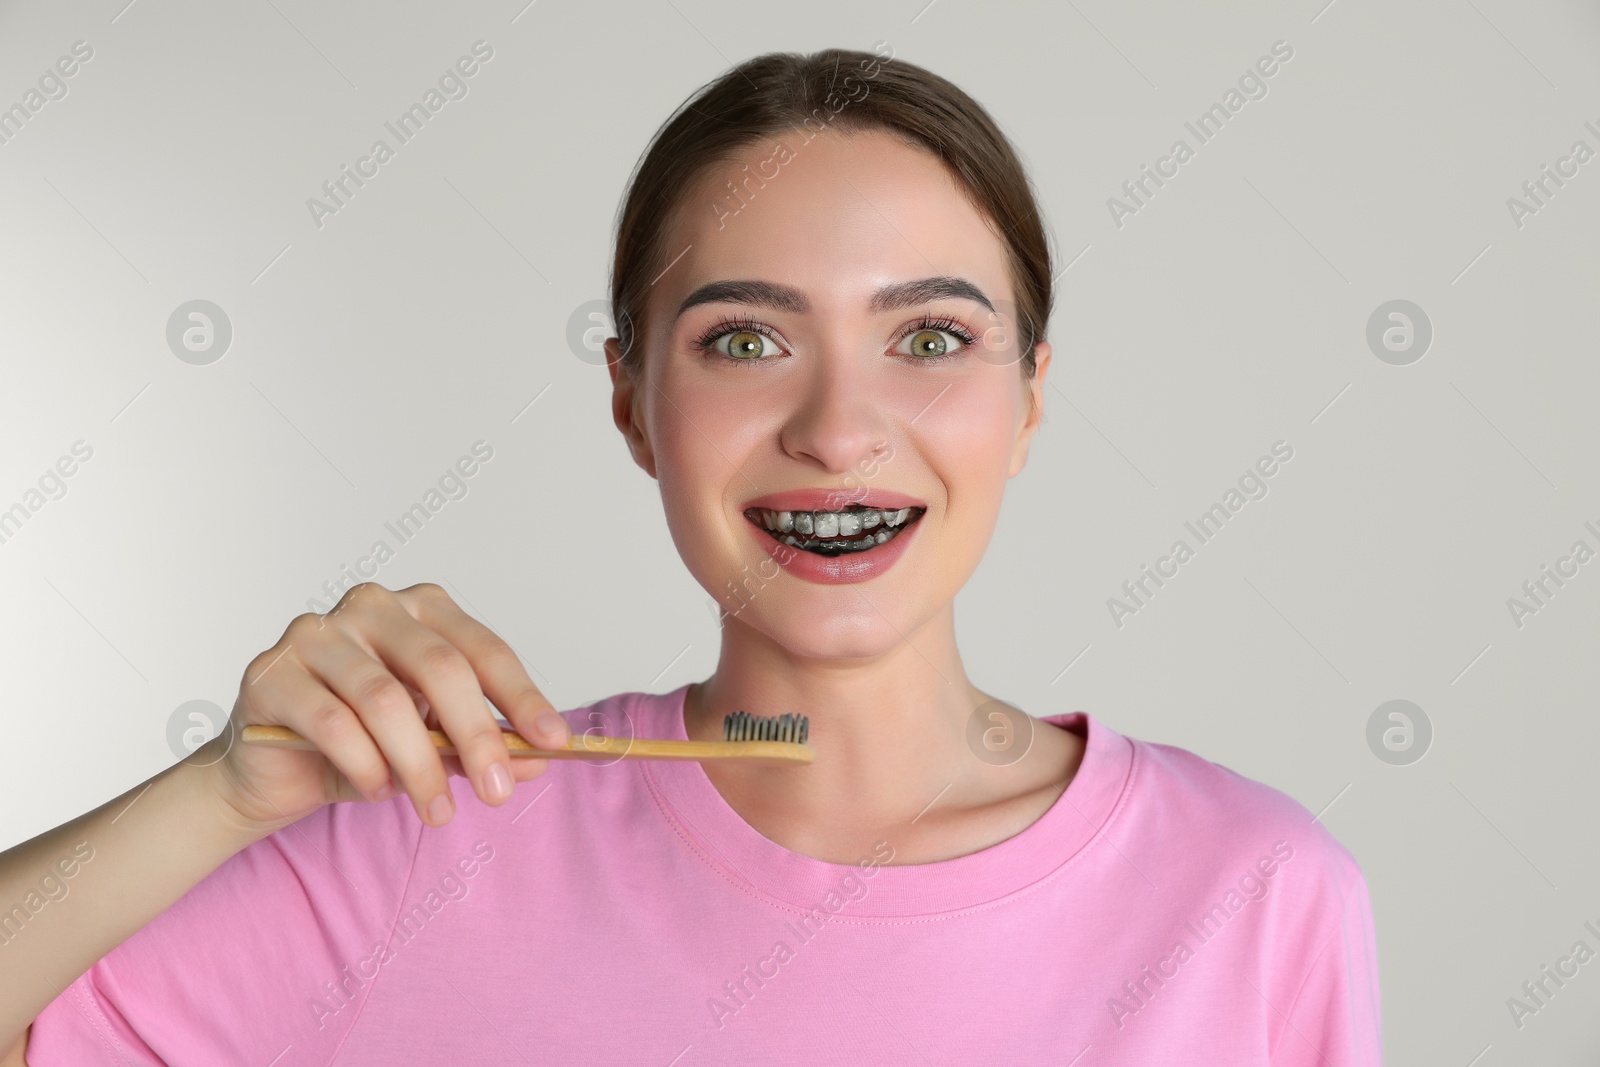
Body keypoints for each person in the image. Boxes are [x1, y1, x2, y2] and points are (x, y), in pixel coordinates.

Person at [2, 46, 1381, 1064]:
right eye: (745, 340)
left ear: (1026, 396)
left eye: (931, 339)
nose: (841, 431)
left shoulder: (1255, 893)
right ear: (631, 402)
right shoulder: (425, 840)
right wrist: (219, 794)